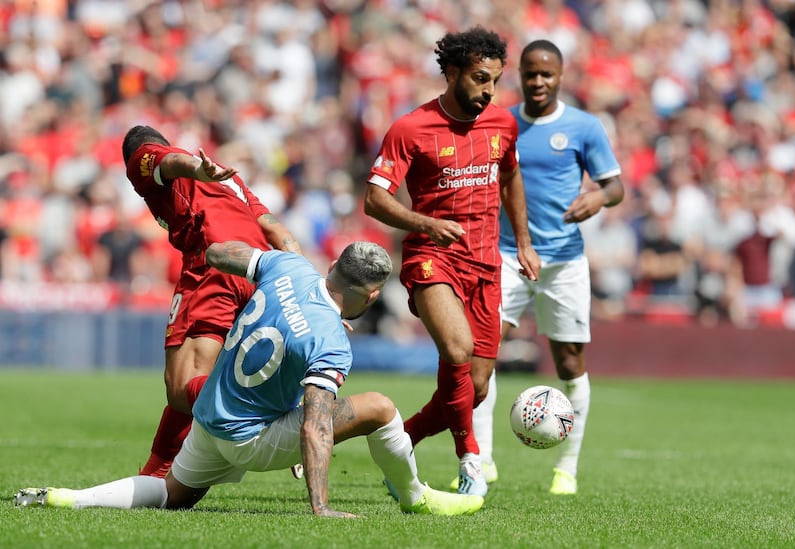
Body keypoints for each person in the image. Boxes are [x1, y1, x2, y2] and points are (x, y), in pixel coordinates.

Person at [14, 240, 484, 517]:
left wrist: (233, 257)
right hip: (251, 437)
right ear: (373, 293)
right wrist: (320, 505)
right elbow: (316, 425)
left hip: (210, 415)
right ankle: (415, 498)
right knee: (381, 407)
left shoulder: (289, 265)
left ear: (333, 266)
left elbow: (220, 251)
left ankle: (68, 498)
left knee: (174, 496)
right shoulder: (331, 341)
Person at [363, 27, 540, 497]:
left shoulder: (503, 124)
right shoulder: (410, 128)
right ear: (453, 72)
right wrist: (424, 224)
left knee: (476, 387)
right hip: (432, 258)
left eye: (495, 82)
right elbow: (374, 200)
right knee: (457, 350)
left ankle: (402, 438)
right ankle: (470, 459)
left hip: (486, 264)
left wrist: (523, 241)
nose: (489, 91)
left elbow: (511, 179)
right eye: (481, 79)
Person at [463, 39, 625, 495]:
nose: (538, 82)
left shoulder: (584, 127)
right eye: (530, 74)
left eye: (546, 74)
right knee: (483, 355)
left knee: (569, 361)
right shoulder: (500, 121)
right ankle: (483, 459)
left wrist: (597, 196)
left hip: (565, 261)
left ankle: (566, 469)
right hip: (507, 254)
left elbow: (615, 186)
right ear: (519, 75)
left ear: (561, 75)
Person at [121, 125, 302, 478]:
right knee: (202, 374)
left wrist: (192, 169)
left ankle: (275, 411)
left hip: (213, 264)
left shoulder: (144, 156)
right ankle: (158, 468)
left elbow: (171, 161)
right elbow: (279, 233)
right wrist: (308, 291)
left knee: (180, 388)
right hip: (259, 273)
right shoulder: (232, 182)